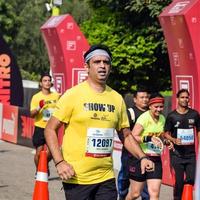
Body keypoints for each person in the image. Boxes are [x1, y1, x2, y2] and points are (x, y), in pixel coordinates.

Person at [44, 44, 154, 200]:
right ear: (87, 67)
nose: (102, 66)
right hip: (77, 176)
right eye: (97, 62)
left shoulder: (116, 98)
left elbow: (126, 135)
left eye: (106, 62)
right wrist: (60, 162)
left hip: (105, 177)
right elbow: (50, 129)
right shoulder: (73, 95)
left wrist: (142, 157)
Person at [126, 93, 167, 200]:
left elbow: (161, 135)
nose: (159, 109)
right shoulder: (144, 118)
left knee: (154, 193)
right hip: (140, 158)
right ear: (150, 106)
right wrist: (149, 138)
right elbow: (133, 137)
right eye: (156, 107)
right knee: (135, 194)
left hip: (155, 158)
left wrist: (167, 141)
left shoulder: (162, 118)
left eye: (161, 106)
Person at [164, 89, 200, 200]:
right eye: (182, 97)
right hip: (176, 155)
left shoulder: (194, 114)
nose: (185, 99)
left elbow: (198, 130)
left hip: (191, 155)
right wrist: (173, 140)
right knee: (179, 183)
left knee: (190, 180)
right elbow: (166, 133)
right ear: (177, 99)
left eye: (187, 97)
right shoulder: (172, 116)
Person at [117, 89, 150, 200]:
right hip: (129, 153)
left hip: (147, 152)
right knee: (124, 177)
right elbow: (125, 134)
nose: (145, 100)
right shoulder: (130, 113)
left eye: (146, 97)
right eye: (142, 97)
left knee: (145, 181)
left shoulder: (152, 113)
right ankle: (122, 196)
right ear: (135, 99)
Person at [30, 73, 60, 175]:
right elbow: (32, 114)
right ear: (41, 83)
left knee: (52, 152)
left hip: (51, 128)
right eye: (45, 81)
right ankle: (38, 171)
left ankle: (44, 164)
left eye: (49, 80)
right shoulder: (36, 97)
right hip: (40, 127)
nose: (47, 82)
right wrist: (39, 107)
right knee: (39, 153)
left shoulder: (56, 96)